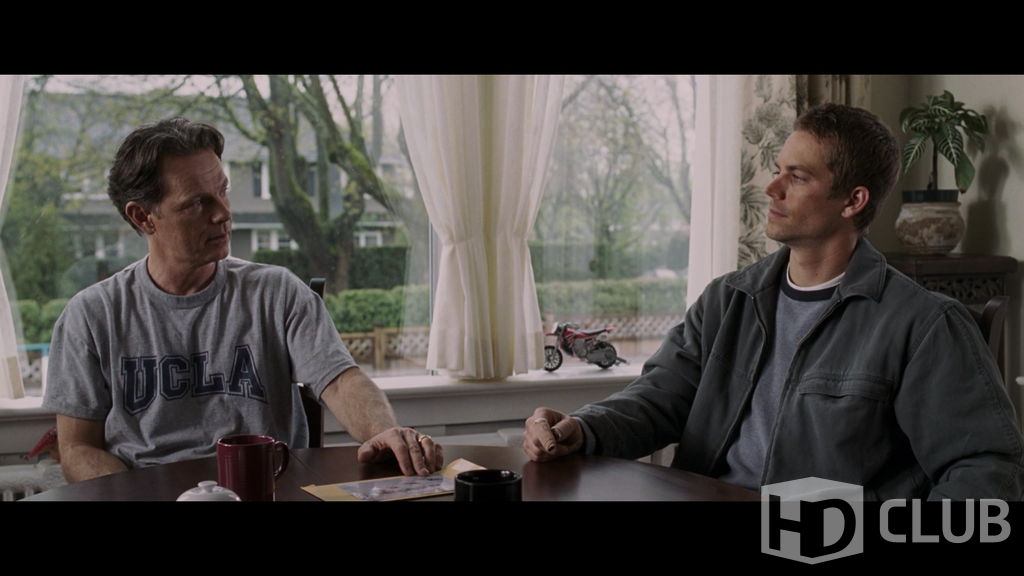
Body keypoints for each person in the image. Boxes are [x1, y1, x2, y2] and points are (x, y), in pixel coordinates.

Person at [524, 103, 1024, 500]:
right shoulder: (727, 300)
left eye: (798, 177)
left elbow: (985, 468)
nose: (772, 187)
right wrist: (583, 428)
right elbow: (658, 399)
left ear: (853, 201)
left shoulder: (924, 324)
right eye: (779, 169)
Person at [42, 117, 443, 483]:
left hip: (269, 490)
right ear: (143, 217)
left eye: (223, 191)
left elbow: (341, 382)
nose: (223, 213)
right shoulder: (91, 316)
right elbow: (77, 448)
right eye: (197, 202)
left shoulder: (277, 293)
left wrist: (383, 431)